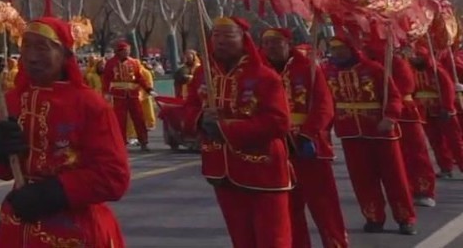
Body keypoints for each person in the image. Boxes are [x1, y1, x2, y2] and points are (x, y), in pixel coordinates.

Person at [0, 17, 129, 246]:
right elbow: (2, 171)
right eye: (26, 47)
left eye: (42, 48)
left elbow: (114, 177)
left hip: (74, 229)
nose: (32, 56)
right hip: (18, 225)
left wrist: (52, 194)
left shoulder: (90, 104)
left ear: (65, 55)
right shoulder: (11, 101)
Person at [180, 18, 292, 248]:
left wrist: (225, 128)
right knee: (241, 238)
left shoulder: (264, 76)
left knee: (273, 238)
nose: (220, 41)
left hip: (263, 168)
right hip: (220, 168)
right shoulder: (203, 75)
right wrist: (200, 118)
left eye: (228, 36)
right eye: (216, 36)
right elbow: (188, 108)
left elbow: (278, 122)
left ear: (243, 39)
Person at [259, 27, 347, 248]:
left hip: (309, 145)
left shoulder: (309, 70)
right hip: (276, 149)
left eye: (277, 42)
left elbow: (324, 107)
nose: (271, 47)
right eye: (267, 43)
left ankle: (336, 243)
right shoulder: (258, 72)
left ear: (287, 44)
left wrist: (309, 134)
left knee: (324, 204)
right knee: (287, 207)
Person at [326, 33, 416, 234]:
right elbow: (326, 103)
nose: (337, 52)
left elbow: (393, 97)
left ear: (351, 49)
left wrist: (390, 117)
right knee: (362, 179)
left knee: (394, 177)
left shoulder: (374, 69)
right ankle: (373, 217)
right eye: (334, 49)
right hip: (350, 133)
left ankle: (405, 218)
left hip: (380, 130)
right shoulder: (327, 72)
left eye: (341, 48)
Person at [383, 40, 438, 207]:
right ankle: (405, 190)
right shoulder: (374, 64)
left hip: (405, 113)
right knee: (396, 158)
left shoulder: (398, 63)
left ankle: (424, 190)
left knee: (416, 154)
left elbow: (406, 87)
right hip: (385, 115)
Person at [412, 45, 463, 181]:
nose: (415, 59)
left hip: (442, 109)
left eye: (418, 57)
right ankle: (445, 167)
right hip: (426, 111)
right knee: (436, 141)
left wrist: (447, 107)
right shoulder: (413, 71)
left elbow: (448, 89)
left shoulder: (437, 70)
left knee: (455, 140)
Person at [101, 40, 154, 152]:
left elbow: (140, 78)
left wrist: (149, 89)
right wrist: (105, 93)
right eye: (125, 51)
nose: (127, 53)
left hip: (133, 95)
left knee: (139, 119)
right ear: (119, 52)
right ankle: (121, 144)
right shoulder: (111, 63)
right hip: (119, 95)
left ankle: (144, 142)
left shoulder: (134, 62)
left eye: (128, 51)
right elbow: (106, 79)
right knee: (120, 121)